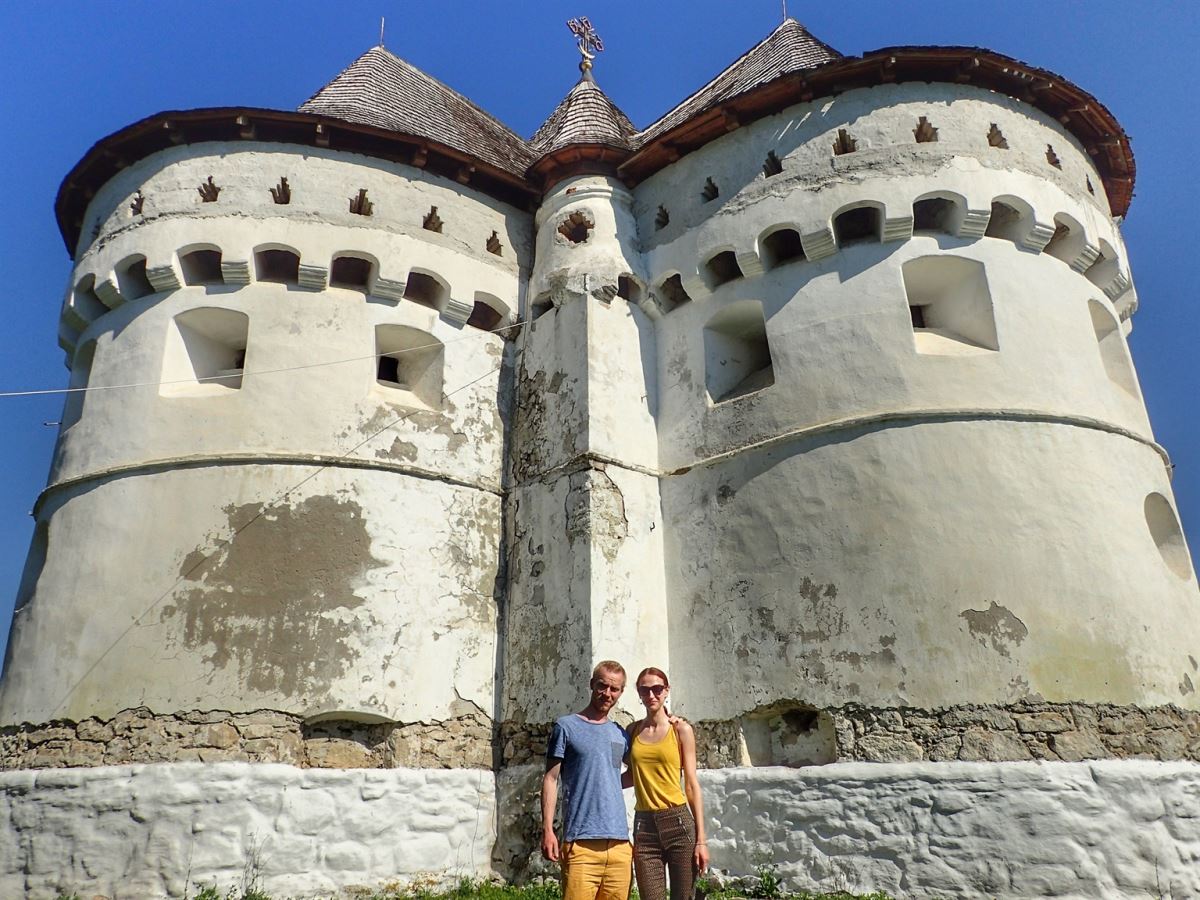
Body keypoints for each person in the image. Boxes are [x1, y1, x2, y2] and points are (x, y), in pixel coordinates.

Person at [541, 660, 633, 900]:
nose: (607, 693)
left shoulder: (620, 733)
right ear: (592, 684)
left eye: (614, 689)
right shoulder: (566, 726)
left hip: (620, 847)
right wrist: (548, 830)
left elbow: (637, 772)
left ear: (621, 692)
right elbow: (551, 779)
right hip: (581, 845)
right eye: (602, 686)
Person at [626, 667, 708, 900]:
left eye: (657, 689)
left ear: (666, 690)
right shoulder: (632, 731)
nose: (651, 695)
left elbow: (691, 784)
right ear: (638, 693)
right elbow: (631, 775)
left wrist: (702, 841)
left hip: (678, 822)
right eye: (645, 690)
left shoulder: (680, 729)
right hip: (645, 827)